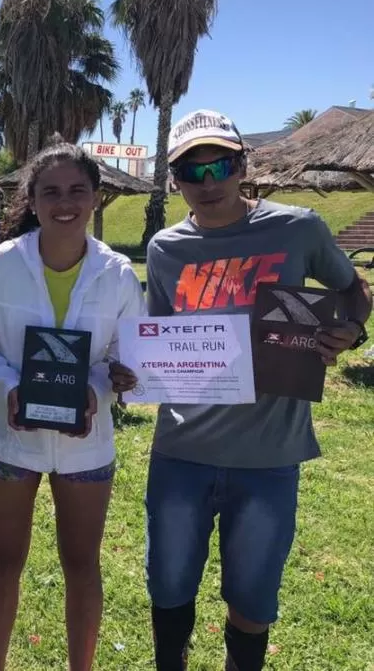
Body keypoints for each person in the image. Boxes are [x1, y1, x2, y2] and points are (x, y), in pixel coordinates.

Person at [112, 110, 372, 671]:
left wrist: (350, 332)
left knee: (252, 599)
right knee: (169, 585)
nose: (208, 184)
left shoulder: (297, 228)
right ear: (173, 178)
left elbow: (354, 292)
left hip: (269, 455)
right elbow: (162, 337)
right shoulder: (164, 249)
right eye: (191, 170)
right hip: (182, 451)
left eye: (220, 165)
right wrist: (133, 370)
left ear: (242, 164)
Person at [0, 144, 146, 671]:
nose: (64, 203)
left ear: (95, 196)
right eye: (51, 192)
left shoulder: (117, 274)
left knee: (83, 566)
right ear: (33, 199)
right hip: (7, 437)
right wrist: (7, 385)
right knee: (4, 564)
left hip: (86, 446)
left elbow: (122, 357)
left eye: (76, 191)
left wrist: (98, 393)